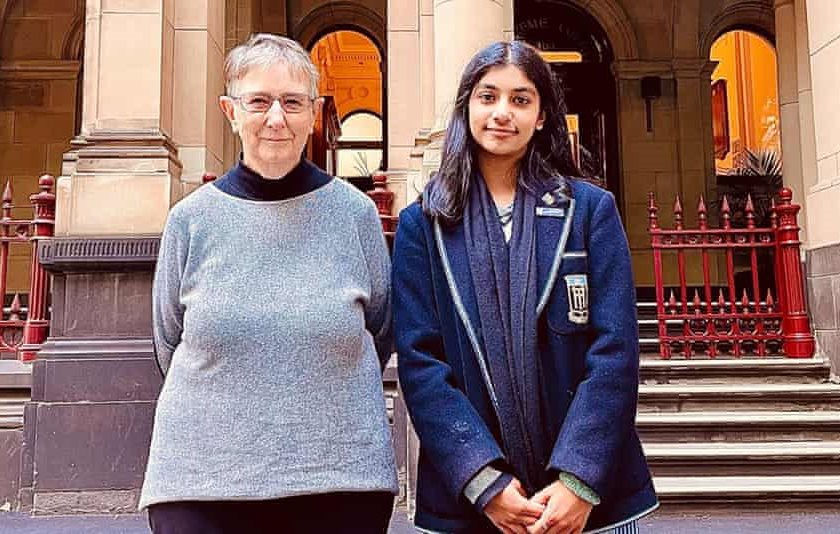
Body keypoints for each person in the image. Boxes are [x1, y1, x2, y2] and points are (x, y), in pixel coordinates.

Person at [392, 41, 658, 534]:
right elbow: (421, 361)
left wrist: (579, 479)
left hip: (587, 503)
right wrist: (483, 481)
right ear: (466, 107)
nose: (502, 113)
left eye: (520, 99)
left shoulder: (589, 210)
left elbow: (615, 351)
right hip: (472, 504)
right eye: (488, 96)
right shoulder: (422, 226)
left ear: (541, 117)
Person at [139, 34, 397, 534]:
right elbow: (168, 341)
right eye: (258, 101)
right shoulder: (191, 220)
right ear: (230, 110)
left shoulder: (355, 215)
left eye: (293, 102)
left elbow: (380, 330)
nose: (276, 118)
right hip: (202, 485)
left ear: (314, 112)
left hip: (339, 482)